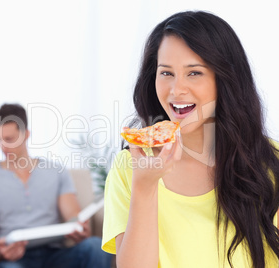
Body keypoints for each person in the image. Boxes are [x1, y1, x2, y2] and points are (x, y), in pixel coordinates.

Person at [101, 11, 279, 268]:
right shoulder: (129, 166)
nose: (176, 90)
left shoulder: (272, 162)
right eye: (166, 73)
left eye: (194, 73)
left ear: (226, 79)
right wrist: (145, 187)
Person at [0, 103, 111, 268]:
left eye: (9, 139)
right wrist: (1, 252)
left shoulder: (56, 171)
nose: (3, 146)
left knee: (95, 246)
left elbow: (72, 214)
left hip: (55, 253)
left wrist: (79, 228)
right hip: (16, 258)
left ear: (26, 134)